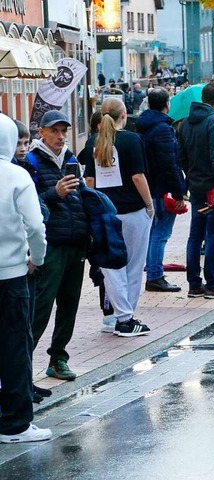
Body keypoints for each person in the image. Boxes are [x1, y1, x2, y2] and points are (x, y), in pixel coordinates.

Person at [82, 98, 154, 337]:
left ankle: (119, 316)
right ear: (124, 115)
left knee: (111, 266)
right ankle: (127, 317)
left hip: (105, 213)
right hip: (132, 210)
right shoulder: (132, 140)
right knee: (133, 264)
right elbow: (138, 177)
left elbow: (90, 181)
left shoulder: (94, 141)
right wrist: (149, 204)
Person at [0, 114, 52, 444]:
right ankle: (15, 424)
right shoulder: (16, 176)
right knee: (15, 346)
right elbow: (35, 226)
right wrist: (39, 258)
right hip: (12, 273)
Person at [28, 111, 89, 382]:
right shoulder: (31, 161)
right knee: (41, 305)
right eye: (54, 131)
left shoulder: (71, 159)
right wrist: (55, 193)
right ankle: (21, 362)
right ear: (41, 132)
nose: (61, 136)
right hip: (51, 243)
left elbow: (82, 197)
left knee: (69, 304)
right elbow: (30, 204)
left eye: (64, 131)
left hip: (76, 241)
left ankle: (58, 358)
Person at [178, 81, 214, 298]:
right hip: (212, 187)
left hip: (195, 184)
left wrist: (190, 176)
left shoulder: (186, 123)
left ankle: (194, 283)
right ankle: (212, 282)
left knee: (195, 235)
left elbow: (180, 156)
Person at [136, 87, 186, 292]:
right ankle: (155, 275)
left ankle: (153, 270)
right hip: (162, 187)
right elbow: (169, 163)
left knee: (153, 231)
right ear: (167, 104)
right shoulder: (164, 129)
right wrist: (178, 191)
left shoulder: (142, 126)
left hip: (150, 185)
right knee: (161, 232)